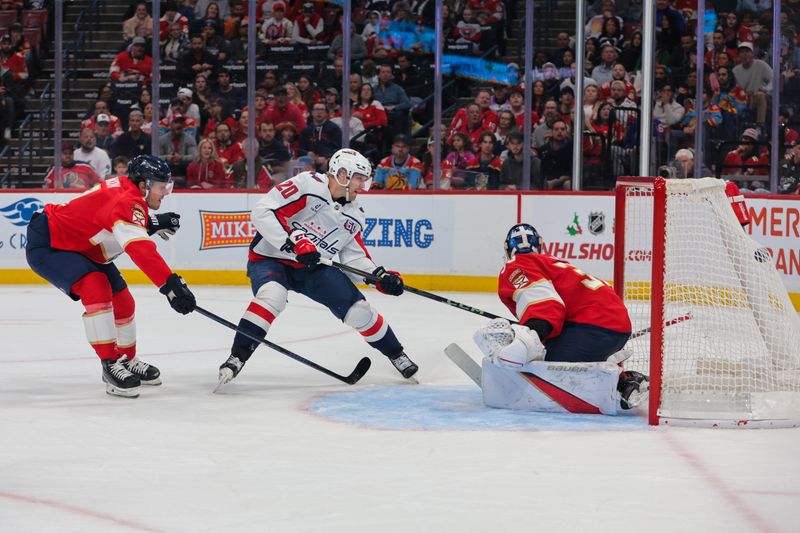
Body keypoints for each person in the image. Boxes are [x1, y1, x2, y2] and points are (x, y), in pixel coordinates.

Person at [216, 148, 419, 388]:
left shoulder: (355, 215)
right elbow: (263, 211)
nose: (363, 185)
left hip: (313, 267)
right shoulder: (308, 185)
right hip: (271, 259)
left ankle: (396, 353)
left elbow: (353, 258)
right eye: (359, 178)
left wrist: (378, 276)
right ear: (342, 174)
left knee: (359, 311)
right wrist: (294, 241)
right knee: (272, 296)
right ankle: (237, 357)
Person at [25, 155, 196, 398]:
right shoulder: (127, 201)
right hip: (50, 245)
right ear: (143, 185)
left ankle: (126, 359)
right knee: (96, 287)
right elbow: (139, 248)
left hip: (82, 246)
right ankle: (109, 364)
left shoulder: (128, 192)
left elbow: (113, 218)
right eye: (161, 186)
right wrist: (170, 285)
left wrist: (152, 222)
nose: (165, 192)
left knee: (124, 300)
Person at [472, 223, 647, 414]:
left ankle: (617, 385)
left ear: (507, 247)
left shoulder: (515, 266)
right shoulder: (551, 262)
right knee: (548, 346)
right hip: (613, 326)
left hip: (592, 327)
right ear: (539, 245)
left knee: (543, 363)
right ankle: (621, 375)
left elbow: (546, 306)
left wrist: (529, 337)